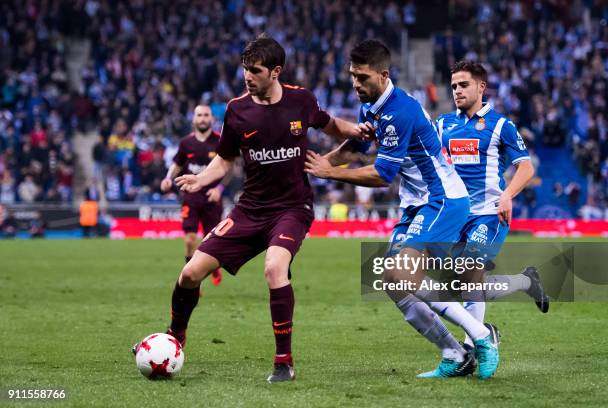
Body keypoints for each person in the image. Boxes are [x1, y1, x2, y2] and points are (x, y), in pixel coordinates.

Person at [135, 35, 369, 383]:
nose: (247, 76)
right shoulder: (236, 110)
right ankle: (174, 338)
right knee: (188, 274)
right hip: (249, 210)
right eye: (245, 69)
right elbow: (224, 159)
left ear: (275, 71)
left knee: (275, 268)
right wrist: (201, 180)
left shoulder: (300, 101)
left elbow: (332, 125)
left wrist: (359, 130)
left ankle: (283, 361)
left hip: (292, 207)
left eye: (255, 71)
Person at [305, 39, 500, 379]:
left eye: (362, 77)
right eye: (352, 76)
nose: (355, 84)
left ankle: (482, 336)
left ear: (383, 75)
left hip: (441, 199)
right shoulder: (375, 105)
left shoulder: (399, 112)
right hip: (415, 205)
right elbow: (360, 141)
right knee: (393, 283)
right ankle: (455, 353)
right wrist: (328, 159)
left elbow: (383, 175)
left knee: (401, 275)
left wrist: (330, 172)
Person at [436, 60, 549, 352]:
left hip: (490, 212)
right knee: (462, 285)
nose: (457, 91)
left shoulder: (501, 124)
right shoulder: (444, 124)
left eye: (463, 85)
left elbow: (525, 168)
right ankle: (525, 282)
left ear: (481, 87)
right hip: (456, 215)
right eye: (453, 87)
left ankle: (474, 345)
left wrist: (508, 194)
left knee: (469, 272)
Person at [161, 105, 224, 287]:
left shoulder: (220, 141)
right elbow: (177, 164)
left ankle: (214, 267)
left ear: (211, 119)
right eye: (199, 115)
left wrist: (218, 189)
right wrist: (167, 178)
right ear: (194, 119)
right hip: (191, 197)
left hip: (212, 198)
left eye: (206, 115)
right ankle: (192, 281)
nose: (203, 119)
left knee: (211, 242)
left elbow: (229, 167)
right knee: (190, 239)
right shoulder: (186, 143)